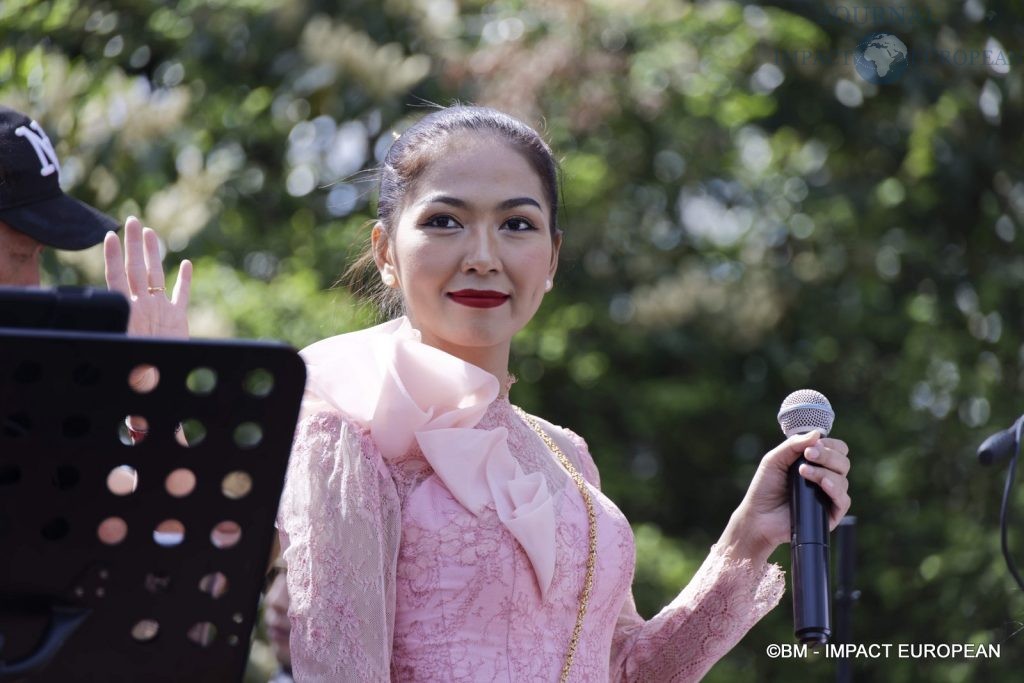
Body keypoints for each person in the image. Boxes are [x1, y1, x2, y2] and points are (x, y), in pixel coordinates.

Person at [276, 105, 852, 681]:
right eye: (445, 221)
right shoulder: (347, 429)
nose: (482, 257)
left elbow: (627, 671)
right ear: (385, 254)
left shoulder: (566, 455)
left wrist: (750, 538)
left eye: (517, 225)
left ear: (551, 258)